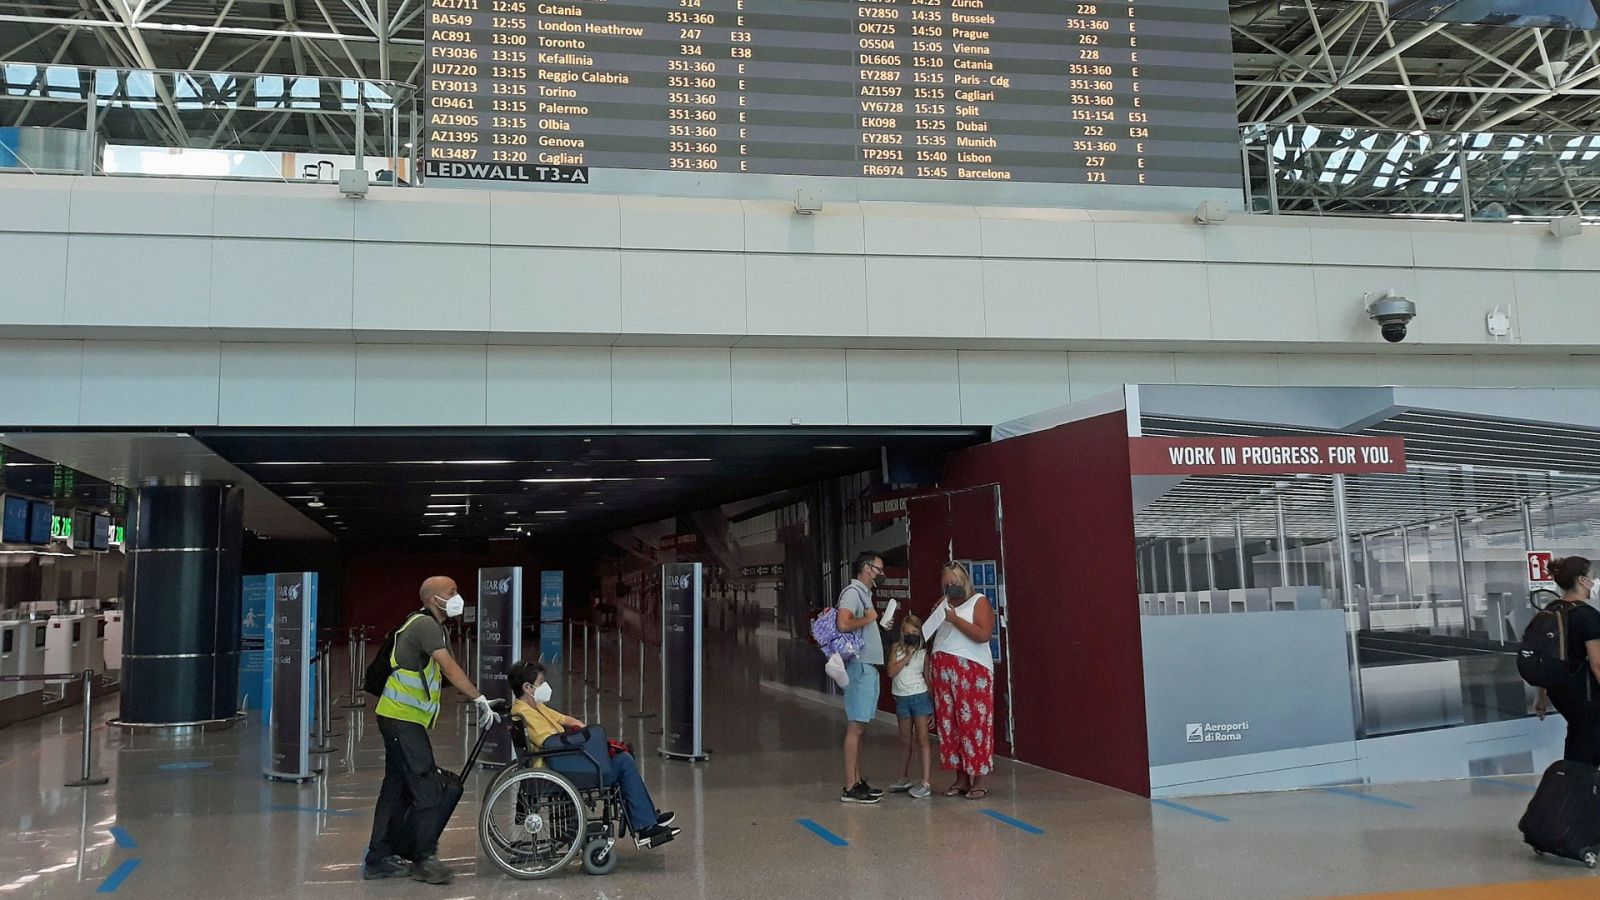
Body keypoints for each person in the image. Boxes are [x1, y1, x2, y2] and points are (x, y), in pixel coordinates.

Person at [364, 576, 502, 885]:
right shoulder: (425, 625)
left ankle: (378, 857)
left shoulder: (430, 625)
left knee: (395, 788)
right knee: (426, 789)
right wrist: (479, 698)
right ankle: (424, 860)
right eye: (452, 592)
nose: (458, 598)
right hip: (401, 720)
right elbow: (449, 668)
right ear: (433, 599)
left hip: (398, 718)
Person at [506, 659, 680, 848]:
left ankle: (647, 819)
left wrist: (583, 730)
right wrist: (584, 739)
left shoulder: (535, 707)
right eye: (540, 683)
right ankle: (645, 826)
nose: (545, 687)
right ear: (527, 687)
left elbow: (563, 719)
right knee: (623, 762)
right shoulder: (525, 713)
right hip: (557, 767)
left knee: (622, 758)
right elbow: (550, 742)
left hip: (561, 760)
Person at [930, 561, 997, 800]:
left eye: (954, 582)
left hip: (971, 672)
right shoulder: (944, 605)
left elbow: (983, 634)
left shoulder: (977, 602)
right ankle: (960, 778)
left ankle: (979, 778)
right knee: (950, 727)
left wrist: (954, 619)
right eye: (946, 582)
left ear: (964, 581)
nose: (950, 586)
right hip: (943, 671)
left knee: (974, 725)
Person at [1533, 557, 1600, 764]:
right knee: (1589, 746)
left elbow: (1543, 658)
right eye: (1592, 576)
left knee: (1578, 742)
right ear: (1582, 580)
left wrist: (1541, 696)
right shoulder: (1587, 615)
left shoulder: (1550, 611)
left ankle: (1570, 787)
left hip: (1561, 694)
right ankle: (1580, 791)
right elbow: (1598, 664)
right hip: (1587, 694)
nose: (1595, 580)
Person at [836, 551, 888, 803]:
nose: (881, 573)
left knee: (861, 726)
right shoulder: (852, 593)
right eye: (878, 568)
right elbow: (843, 623)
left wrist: (874, 623)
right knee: (855, 726)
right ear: (867, 568)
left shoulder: (865, 594)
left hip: (868, 666)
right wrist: (868, 618)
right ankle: (849, 786)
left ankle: (857, 781)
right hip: (859, 667)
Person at [887, 613, 934, 799]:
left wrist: (932, 708)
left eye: (915, 632)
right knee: (905, 740)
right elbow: (891, 671)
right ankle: (903, 777)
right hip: (902, 699)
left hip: (920, 697)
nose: (911, 636)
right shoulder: (896, 650)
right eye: (908, 633)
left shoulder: (923, 654)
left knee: (923, 739)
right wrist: (906, 656)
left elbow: (928, 680)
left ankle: (926, 781)